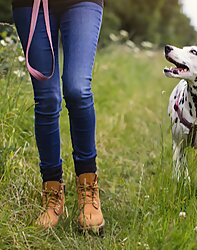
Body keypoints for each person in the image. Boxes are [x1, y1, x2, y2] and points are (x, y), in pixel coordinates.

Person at [12, 0, 104, 232]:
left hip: (82, 3)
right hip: (30, 4)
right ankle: (52, 191)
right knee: (47, 98)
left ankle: (87, 188)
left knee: (78, 90)